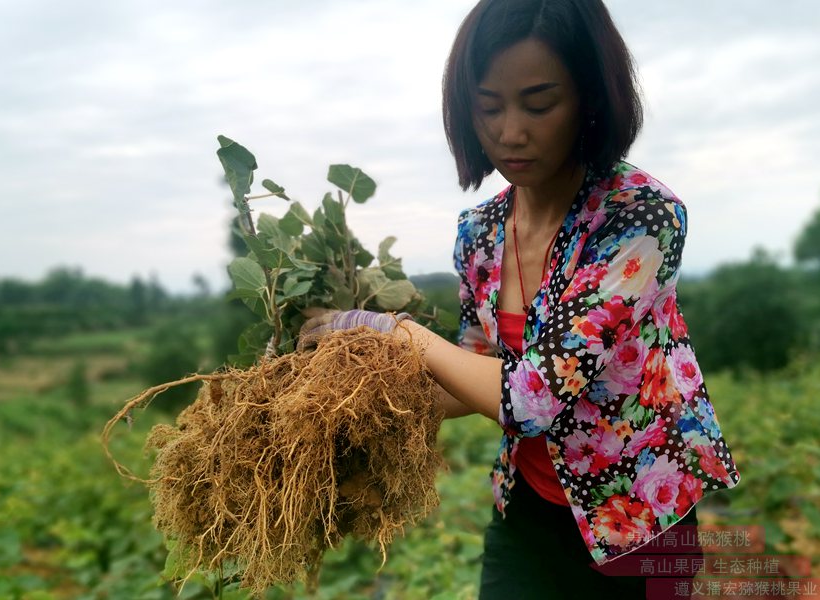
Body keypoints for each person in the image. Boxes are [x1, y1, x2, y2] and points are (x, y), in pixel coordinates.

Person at [300, 0, 741, 597]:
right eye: (488, 106)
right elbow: (477, 363)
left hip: (642, 520)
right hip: (528, 508)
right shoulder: (480, 232)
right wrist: (347, 404)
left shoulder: (639, 218)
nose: (510, 132)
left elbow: (530, 400)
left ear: (589, 97)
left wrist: (383, 328)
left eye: (539, 104)